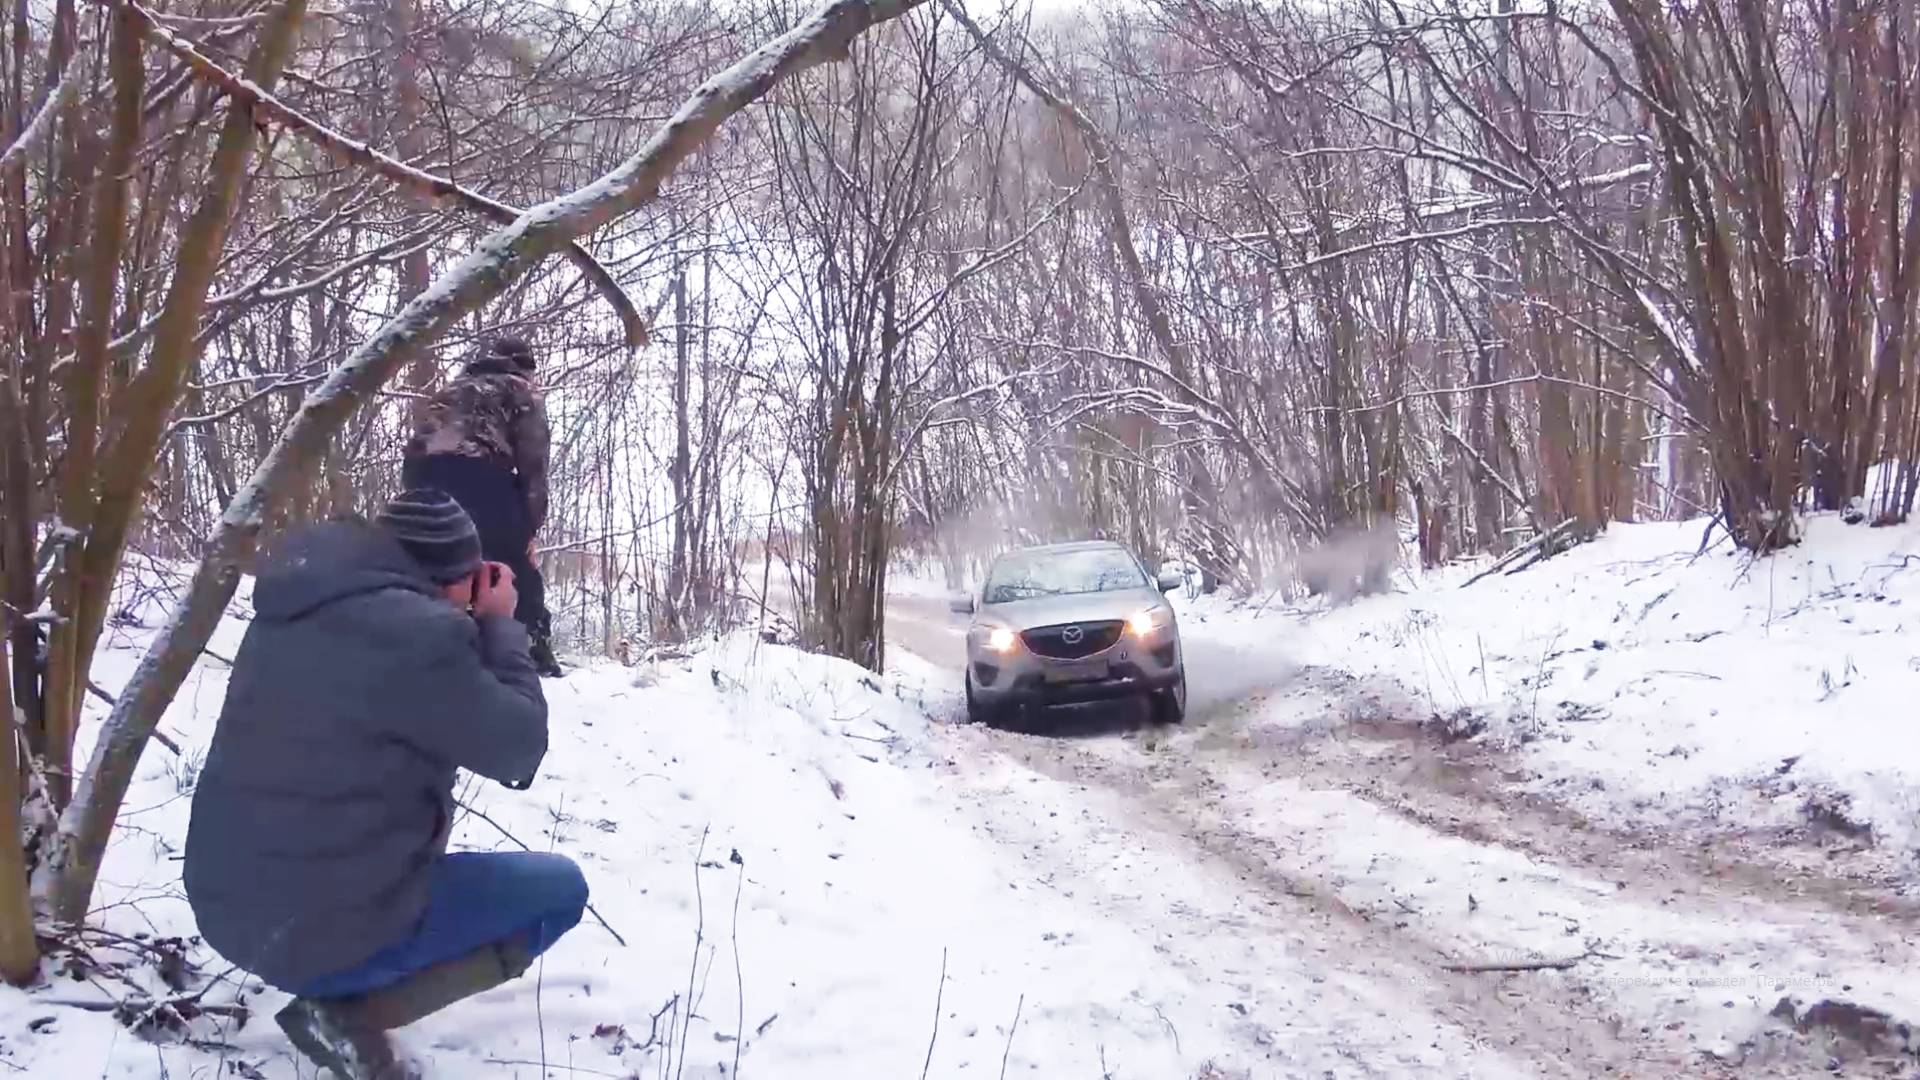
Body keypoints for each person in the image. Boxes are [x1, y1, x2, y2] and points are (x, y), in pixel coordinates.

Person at [184, 490, 587, 1079]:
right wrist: (501, 628)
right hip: (316, 929)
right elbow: (518, 749)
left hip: (225, 908)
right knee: (559, 891)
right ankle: (348, 1014)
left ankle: (343, 971)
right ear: (449, 579)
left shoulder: (296, 605)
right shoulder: (421, 636)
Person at [402, 336, 562, 677]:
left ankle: (427, 641)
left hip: (423, 476)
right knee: (508, 563)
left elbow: (415, 447)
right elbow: (534, 465)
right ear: (525, 367)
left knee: (435, 561)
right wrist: (528, 531)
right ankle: (533, 649)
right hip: (479, 472)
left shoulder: (449, 390)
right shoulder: (521, 390)